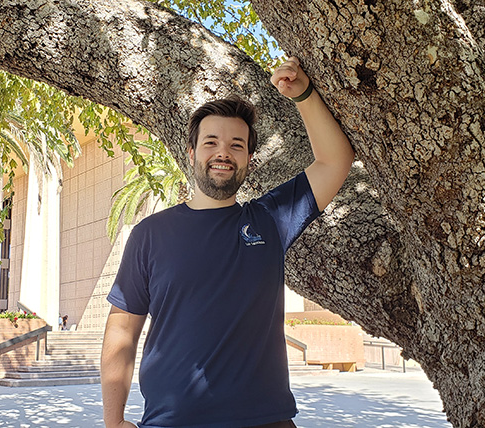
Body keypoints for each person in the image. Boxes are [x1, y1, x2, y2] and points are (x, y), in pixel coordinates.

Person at [100, 57, 354, 428]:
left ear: (250, 159)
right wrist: (112, 421)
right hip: (172, 422)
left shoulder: (270, 220)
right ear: (191, 153)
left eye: (237, 145)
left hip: (267, 421)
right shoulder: (149, 235)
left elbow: (335, 160)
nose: (223, 153)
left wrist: (304, 95)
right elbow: (122, 329)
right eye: (211, 142)